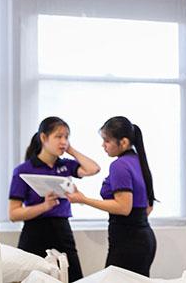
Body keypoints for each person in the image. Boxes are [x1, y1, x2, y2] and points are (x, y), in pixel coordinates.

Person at [8, 116, 101, 281]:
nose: (63, 141)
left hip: (62, 229)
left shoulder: (65, 165)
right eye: (58, 137)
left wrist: (70, 150)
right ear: (43, 138)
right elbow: (14, 214)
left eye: (66, 137)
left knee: (73, 278)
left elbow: (93, 169)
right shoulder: (23, 170)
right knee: (29, 278)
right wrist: (44, 206)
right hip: (34, 231)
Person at [66, 116, 157, 276]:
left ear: (123, 142)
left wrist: (83, 199)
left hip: (128, 241)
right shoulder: (137, 161)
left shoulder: (119, 165)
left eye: (107, 141)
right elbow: (147, 207)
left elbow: (123, 207)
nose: (103, 145)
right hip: (143, 237)